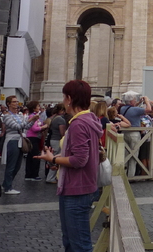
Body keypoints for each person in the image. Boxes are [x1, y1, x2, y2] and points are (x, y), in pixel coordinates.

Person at [35, 80, 102, 252]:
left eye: (64, 96)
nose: (63, 100)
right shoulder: (89, 119)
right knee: (71, 242)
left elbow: (80, 160)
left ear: (69, 98)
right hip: (79, 186)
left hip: (77, 189)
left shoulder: (79, 124)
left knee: (78, 245)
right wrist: (58, 159)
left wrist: (53, 159)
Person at [1, 95, 40, 195]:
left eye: (16, 101)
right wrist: (30, 120)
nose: (16, 103)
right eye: (14, 102)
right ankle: (8, 187)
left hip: (19, 140)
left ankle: (6, 184)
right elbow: (17, 126)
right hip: (12, 140)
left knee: (17, 166)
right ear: (8, 104)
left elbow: (25, 126)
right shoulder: (6, 116)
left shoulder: (19, 115)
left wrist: (33, 121)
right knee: (11, 165)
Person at [119, 91, 153, 177]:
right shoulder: (135, 110)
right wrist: (147, 101)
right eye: (134, 100)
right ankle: (130, 176)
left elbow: (132, 108)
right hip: (134, 133)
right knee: (133, 156)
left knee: (126, 155)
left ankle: (123, 174)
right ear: (131, 101)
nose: (135, 101)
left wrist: (139, 102)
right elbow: (149, 110)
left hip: (124, 132)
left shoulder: (123, 108)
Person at [45, 103, 68, 184]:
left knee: (53, 157)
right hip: (57, 140)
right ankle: (51, 177)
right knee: (56, 159)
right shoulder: (61, 120)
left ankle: (50, 176)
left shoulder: (54, 117)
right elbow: (62, 133)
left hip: (52, 139)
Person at [23, 101, 44, 181]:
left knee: (30, 156)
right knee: (35, 156)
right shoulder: (33, 116)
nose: (39, 107)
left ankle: (29, 174)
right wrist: (43, 127)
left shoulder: (35, 116)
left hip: (34, 137)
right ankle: (34, 174)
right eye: (38, 106)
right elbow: (34, 128)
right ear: (34, 108)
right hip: (33, 137)